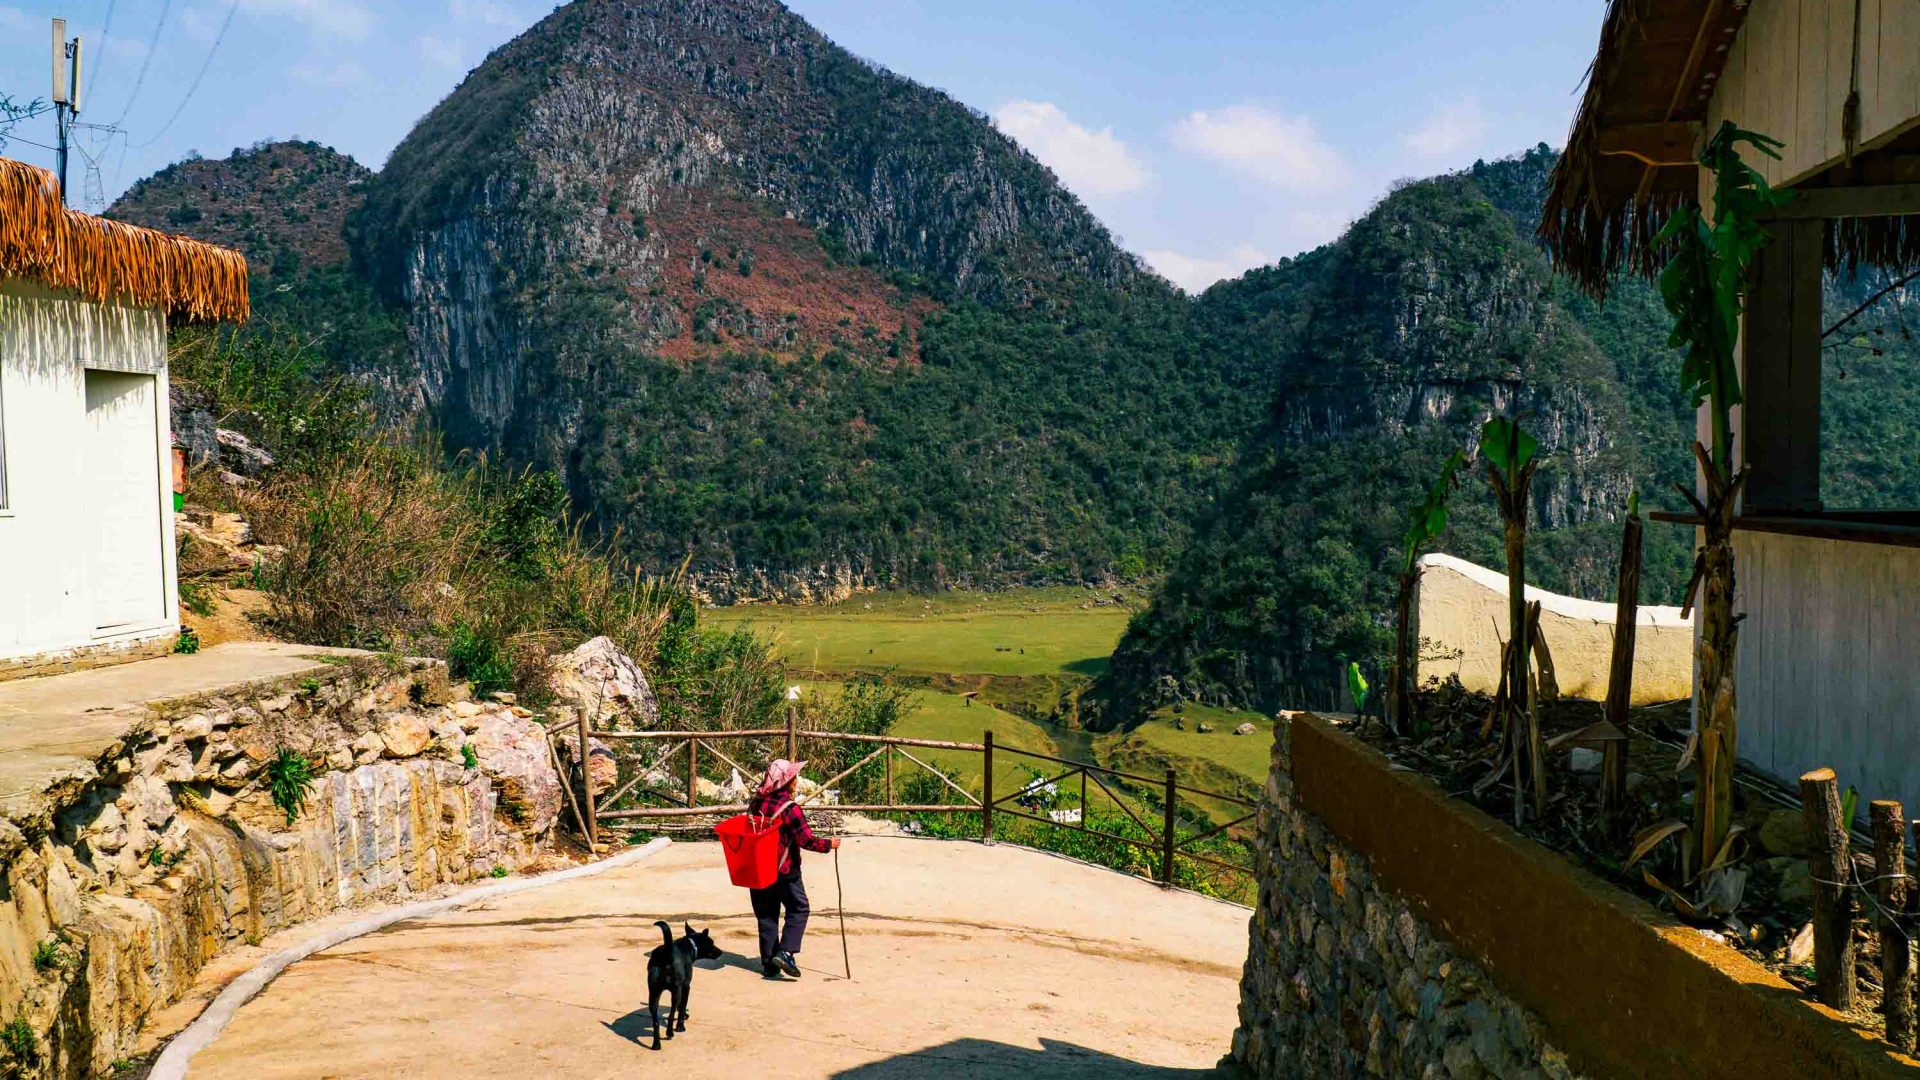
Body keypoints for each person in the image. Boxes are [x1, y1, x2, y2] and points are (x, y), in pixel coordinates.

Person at [747, 758, 838, 980]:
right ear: (788, 782)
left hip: (759, 870)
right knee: (799, 908)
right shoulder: (790, 809)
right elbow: (805, 840)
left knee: (767, 916)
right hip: (785, 871)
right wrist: (828, 844)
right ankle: (786, 952)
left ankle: (769, 964)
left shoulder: (755, 804)